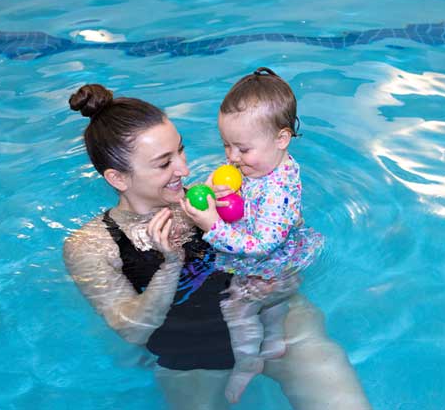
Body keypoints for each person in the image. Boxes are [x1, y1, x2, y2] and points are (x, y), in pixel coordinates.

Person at [62, 83, 372, 410]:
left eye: (181, 150)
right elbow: (132, 331)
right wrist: (169, 265)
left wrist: (285, 275)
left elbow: (278, 238)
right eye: (164, 163)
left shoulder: (208, 198)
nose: (183, 169)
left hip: (277, 325)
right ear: (118, 178)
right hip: (191, 359)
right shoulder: (93, 244)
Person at [180, 67, 322, 404]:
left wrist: (211, 224)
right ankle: (273, 341)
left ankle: (247, 361)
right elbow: (249, 201)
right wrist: (225, 189)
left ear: (281, 139)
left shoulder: (276, 189)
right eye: (226, 146)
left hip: (263, 262)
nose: (232, 157)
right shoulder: (272, 162)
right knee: (273, 306)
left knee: (237, 310)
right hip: (285, 259)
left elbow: (259, 246)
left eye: (242, 149)